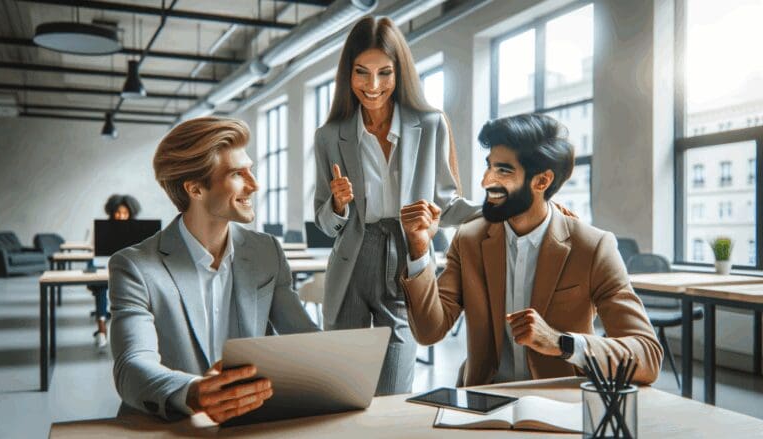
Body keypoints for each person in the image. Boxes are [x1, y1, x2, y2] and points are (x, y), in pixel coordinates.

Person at [399, 114, 663, 386]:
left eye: (503, 171)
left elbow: (647, 356)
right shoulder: (469, 239)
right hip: (484, 398)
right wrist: (419, 246)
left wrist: (560, 343)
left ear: (542, 181)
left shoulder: (592, 247)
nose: (486, 181)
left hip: (560, 402)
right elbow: (429, 331)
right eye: (489, 167)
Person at [109, 117, 319, 422]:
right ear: (195, 189)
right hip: (169, 425)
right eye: (237, 173)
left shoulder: (266, 251)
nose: (254, 184)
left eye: (250, 170)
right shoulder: (135, 267)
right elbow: (131, 367)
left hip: (248, 422)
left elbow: (305, 339)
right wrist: (194, 393)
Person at [313, 16, 480, 395]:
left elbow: (446, 205)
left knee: (394, 392)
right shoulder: (329, 136)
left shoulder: (431, 124)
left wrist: (515, 207)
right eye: (362, 72)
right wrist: (337, 206)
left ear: (399, 72)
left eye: (384, 73)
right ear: (348, 73)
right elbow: (324, 223)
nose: (373, 86)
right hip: (350, 265)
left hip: (406, 260)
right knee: (343, 391)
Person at [92, 194, 144, 350]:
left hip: (129, 269)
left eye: (125, 213)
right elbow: (95, 254)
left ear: (131, 214)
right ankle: (102, 328)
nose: (121, 216)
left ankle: (133, 332)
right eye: (118, 213)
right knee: (101, 287)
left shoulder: (137, 230)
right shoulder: (103, 229)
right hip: (105, 267)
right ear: (112, 212)